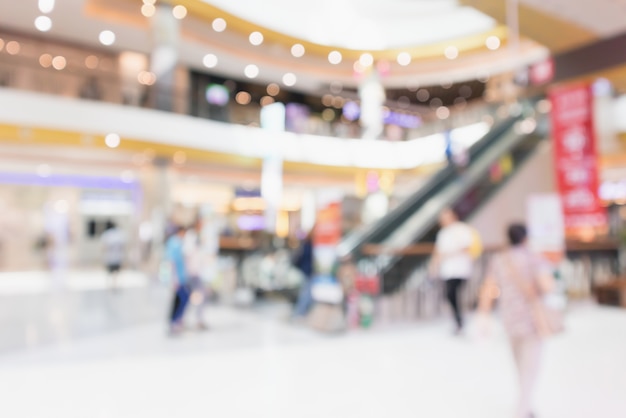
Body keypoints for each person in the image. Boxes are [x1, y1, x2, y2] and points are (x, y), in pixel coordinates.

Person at [479, 223, 555, 418]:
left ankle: (525, 407)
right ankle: (523, 410)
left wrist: (483, 314)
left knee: (520, 366)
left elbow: (489, 288)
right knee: (531, 368)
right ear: (525, 239)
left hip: (509, 319)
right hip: (532, 320)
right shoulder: (534, 259)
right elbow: (548, 286)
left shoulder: (499, 260)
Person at [430, 208, 475, 334]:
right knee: (450, 295)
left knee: (452, 293)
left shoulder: (462, 229)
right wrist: (433, 266)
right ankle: (458, 320)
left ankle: (459, 319)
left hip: (461, 269)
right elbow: (438, 252)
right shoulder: (442, 234)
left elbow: (467, 247)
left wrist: (450, 253)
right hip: (447, 270)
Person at [166, 226, 190, 335]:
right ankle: (174, 320)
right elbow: (172, 262)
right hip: (177, 278)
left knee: (181, 299)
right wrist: (174, 278)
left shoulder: (179, 243)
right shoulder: (175, 243)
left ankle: (177, 320)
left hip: (181, 277)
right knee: (182, 298)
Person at [292, 229, 314, 319]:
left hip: (305, 271)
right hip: (308, 271)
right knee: (306, 293)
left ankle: (301, 312)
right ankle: (300, 313)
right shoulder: (309, 246)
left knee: (306, 292)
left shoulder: (306, 245)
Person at [100, 221, 125, 290]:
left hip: (109, 257)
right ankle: (115, 285)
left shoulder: (107, 234)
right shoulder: (119, 234)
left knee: (109, 272)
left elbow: (103, 247)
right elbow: (123, 246)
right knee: (116, 272)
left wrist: (102, 256)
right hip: (118, 256)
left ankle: (110, 286)